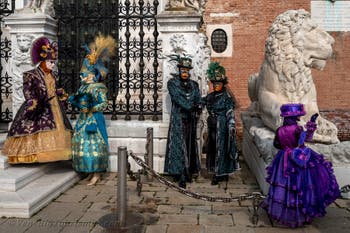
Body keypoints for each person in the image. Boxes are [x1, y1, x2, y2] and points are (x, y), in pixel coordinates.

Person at [261, 103, 340, 228]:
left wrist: (286, 148)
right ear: (295, 117)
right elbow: (305, 140)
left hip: (283, 159)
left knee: (284, 184)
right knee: (300, 185)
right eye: (298, 117)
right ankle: (301, 215)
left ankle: (283, 214)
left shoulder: (279, 130)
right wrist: (311, 127)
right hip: (298, 158)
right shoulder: (298, 129)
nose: (298, 119)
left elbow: (277, 144)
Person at [2, 36, 72, 163]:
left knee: (59, 128)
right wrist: (33, 101)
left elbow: (54, 88)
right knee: (34, 128)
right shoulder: (31, 74)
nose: (53, 64)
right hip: (38, 105)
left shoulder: (54, 75)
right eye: (51, 62)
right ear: (43, 61)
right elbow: (27, 90)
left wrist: (60, 93)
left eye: (54, 62)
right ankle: (33, 155)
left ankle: (54, 154)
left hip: (54, 106)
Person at [69, 34, 116, 186]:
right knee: (83, 144)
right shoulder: (83, 88)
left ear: (92, 75)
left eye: (85, 75)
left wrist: (92, 108)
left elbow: (104, 104)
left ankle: (97, 174)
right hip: (83, 120)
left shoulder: (98, 88)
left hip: (94, 121)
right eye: (82, 75)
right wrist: (73, 101)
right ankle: (89, 172)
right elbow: (78, 101)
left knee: (94, 145)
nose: (82, 77)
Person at [164, 55, 202, 189]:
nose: (185, 72)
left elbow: (198, 98)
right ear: (179, 70)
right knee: (179, 147)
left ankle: (188, 171)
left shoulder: (194, 85)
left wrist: (199, 106)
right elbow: (177, 98)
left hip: (191, 119)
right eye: (183, 70)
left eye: (187, 70)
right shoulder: (172, 83)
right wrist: (190, 106)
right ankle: (180, 174)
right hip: (179, 118)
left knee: (190, 145)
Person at [202, 62, 238, 185]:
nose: (216, 85)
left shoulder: (226, 97)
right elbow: (202, 103)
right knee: (212, 148)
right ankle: (217, 171)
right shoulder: (210, 96)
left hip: (222, 126)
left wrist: (232, 125)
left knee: (221, 149)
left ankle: (220, 173)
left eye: (218, 83)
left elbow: (229, 111)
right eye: (214, 83)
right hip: (212, 126)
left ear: (223, 84)